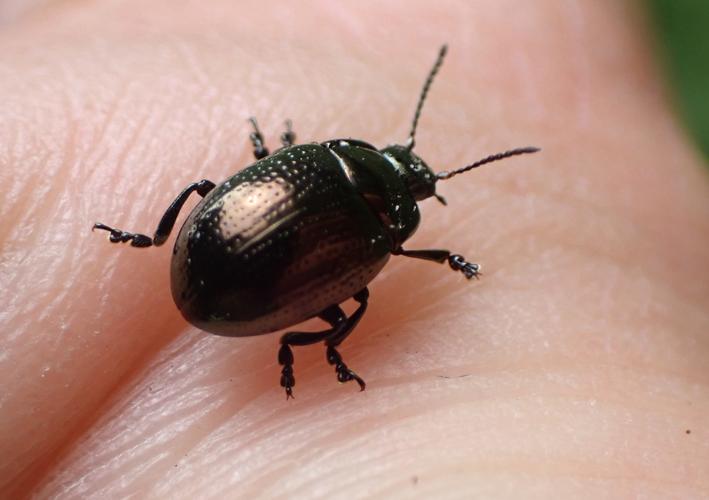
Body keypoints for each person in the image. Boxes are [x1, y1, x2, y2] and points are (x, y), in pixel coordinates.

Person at [1, 1, 708, 497]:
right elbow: (351, 285)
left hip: (222, 264)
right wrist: (324, 338)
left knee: (209, 190)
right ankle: (311, 348)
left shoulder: (328, 171)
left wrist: (268, 157)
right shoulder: (377, 241)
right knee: (352, 302)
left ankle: (161, 247)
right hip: (236, 277)